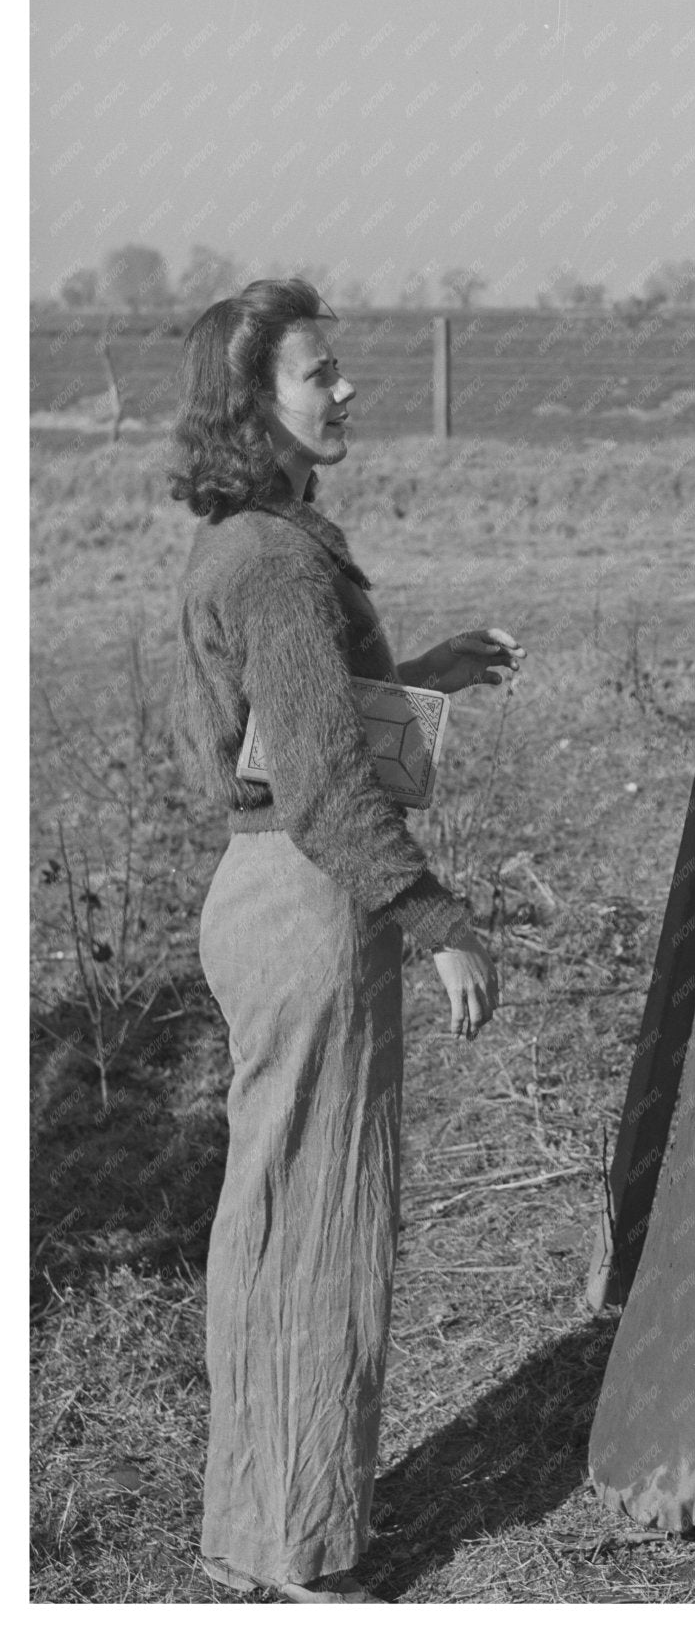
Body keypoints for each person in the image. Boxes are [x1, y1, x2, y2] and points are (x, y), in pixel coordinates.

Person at [168, 277, 524, 1602]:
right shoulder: (273, 557)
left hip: (271, 884)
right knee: (316, 1228)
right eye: (317, 373)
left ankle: (259, 1529)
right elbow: (318, 780)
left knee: (279, 1216)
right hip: (310, 899)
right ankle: (301, 1549)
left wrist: (416, 676)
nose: (347, 389)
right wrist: (437, 922)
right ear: (253, 407)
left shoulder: (251, 545)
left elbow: (286, 737)